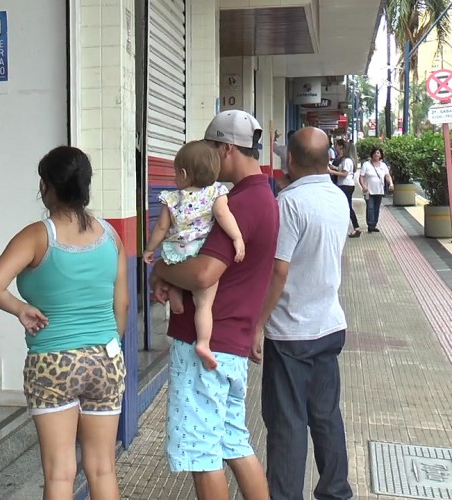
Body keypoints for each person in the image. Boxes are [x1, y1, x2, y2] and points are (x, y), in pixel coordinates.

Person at [0, 146, 128, 500]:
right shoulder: (111, 236)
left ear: (46, 186)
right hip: (106, 359)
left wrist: (21, 309)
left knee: (60, 474)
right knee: (103, 468)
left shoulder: (37, 235)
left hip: (53, 360)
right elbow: (121, 303)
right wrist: (105, 348)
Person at [150, 109, 276, 500]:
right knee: (233, 441)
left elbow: (204, 273)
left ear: (225, 149)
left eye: (209, 149)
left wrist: (160, 269)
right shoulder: (263, 196)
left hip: (207, 344)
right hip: (232, 340)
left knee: (200, 452)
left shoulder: (235, 202)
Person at [251, 127, 354, 500]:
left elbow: (279, 270)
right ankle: (336, 492)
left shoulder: (289, 204)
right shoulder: (338, 197)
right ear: (328, 160)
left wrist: (258, 324)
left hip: (291, 333)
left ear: (290, 160)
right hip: (329, 325)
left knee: (287, 423)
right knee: (325, 415)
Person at [142, 141, 245, 370]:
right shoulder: (216, 192)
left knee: (177, 274)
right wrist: (237, 237)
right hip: (199, 251)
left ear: (184, 173)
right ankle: (204, 344)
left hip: (177, 250)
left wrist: (149, 249)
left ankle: (175, 295)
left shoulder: (172, 198)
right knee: (204, 304)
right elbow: (223, 216)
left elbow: (161, 227)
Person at [327, 139, 361, 238]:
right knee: (346, 205)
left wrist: (331, 171)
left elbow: (344, 174)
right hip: (346, 185)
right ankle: (355, 227)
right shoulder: (346, 160)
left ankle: (356, 227)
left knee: (348, 206)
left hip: (346, 185)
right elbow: (341, 170)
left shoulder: (347, 161)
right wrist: (333, 167)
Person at [359, 147, 394, 233]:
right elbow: (361, 177)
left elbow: (387, 176)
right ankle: (370, 225)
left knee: (376, 208)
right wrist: (363, 186)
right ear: (372, 154)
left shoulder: (383, 165)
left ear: (381, 155)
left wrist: (391, 183)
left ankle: (374, 224)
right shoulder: (366, 164)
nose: (376, 154)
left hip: (379, 190)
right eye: (374, 153)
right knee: (370, 207)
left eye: (378, 153)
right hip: (368, 191)